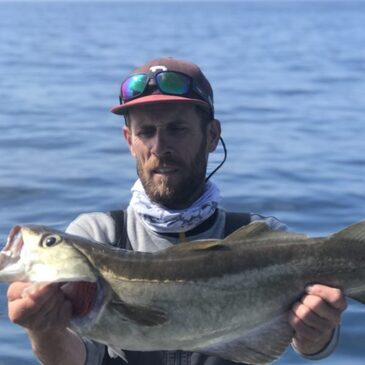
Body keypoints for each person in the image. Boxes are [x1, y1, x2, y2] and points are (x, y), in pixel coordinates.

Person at [7, 57, 347, 365]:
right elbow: (79, 359)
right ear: (129, 141)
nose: (160, 147)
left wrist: (316, 335)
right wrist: (44, 332)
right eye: (146, 132)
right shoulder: (96, 233)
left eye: (177, 129)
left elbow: (307, 343)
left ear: (212, 136)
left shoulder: (264, 238)